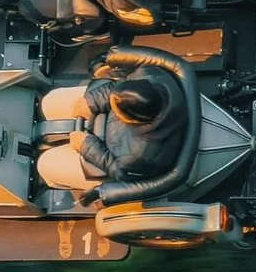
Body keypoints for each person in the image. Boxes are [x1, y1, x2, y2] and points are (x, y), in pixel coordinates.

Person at [38, 66, 188, 188]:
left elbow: (118, 171)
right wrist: (92, 103)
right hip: (110, 130)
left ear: (130, 118)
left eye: (116, 109)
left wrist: (86, 146)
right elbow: (118, 88)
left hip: (107, 152)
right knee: (50, 101)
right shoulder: (150, 75)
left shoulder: (139, 156)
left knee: (45, 165)